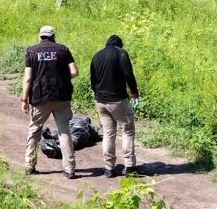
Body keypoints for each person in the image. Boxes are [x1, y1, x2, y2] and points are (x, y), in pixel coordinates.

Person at [21, 25, 79, 179]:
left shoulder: (31, 51)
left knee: (34, 131)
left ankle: (29, 166)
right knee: (64, 132)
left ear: (40, 37)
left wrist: (24, 98)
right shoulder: (63, 49)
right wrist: (62, 78)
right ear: (53, 36)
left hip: (40, 97)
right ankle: (69, 169)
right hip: (61, 96)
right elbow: (74, 72)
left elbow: (28, 78)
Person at [89, 34, 140, 178]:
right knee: (127, 131)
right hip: (118, 100)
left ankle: (109, 168)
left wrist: (100, 94)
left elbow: (92, 81)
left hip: (100, 101)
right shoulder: (121, 53)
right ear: (119, 45)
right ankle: (130, 166)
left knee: (108, 133)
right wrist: (134, 93)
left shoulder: (97, 56)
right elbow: (128, 74)